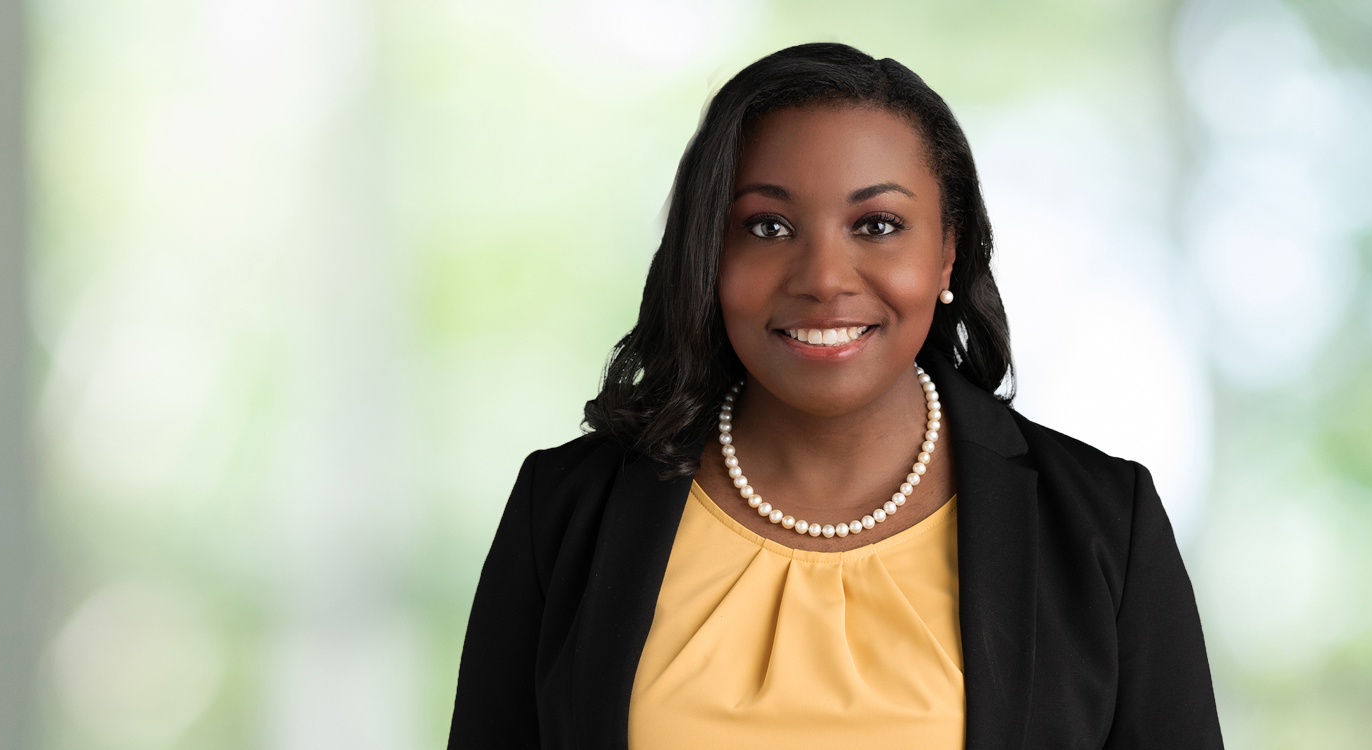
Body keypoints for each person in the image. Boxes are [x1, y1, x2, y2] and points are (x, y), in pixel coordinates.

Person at [446, 43, 1223, 749]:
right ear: (708, 252)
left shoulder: (1105, 525)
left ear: (947, 252)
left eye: (877, 224)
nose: (822, 279)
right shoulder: (565, 510)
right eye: (768, 227)